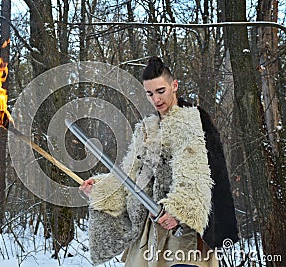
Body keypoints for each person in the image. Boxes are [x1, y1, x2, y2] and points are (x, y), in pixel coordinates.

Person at [79, 56, 238, 267]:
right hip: (151, 227)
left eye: (160, 91)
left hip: (183, 230)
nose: (156, 100)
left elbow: (197, 172)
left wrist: (180, 211)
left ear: (174, 85)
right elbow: (132, 173)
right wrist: (101, 188)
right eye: (150, 93)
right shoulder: (147, 129)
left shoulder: (192, 121)